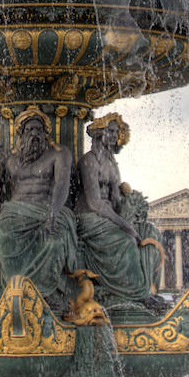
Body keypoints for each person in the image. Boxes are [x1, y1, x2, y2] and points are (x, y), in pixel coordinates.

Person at [0, 110, 79, 312]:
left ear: (46, 133)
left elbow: (61, 186)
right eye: (29, 129)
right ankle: (10, 290)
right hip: (15, 212)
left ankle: (48, 293)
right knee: (5, 236)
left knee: (54, 240)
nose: (34, 133)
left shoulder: (59, 154)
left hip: (48, 208)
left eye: (39, 129)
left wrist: (53, 212)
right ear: (21, 134)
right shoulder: (10, 160)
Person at [74, 114, 161, 310]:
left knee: (149, 231)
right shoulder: (89, 161)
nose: (115, 135)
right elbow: (95, 202)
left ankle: (148, 287)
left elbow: (115, 200)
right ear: (98, 133)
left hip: (107, 216)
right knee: (126, 240)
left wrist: (132, 210)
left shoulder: (112, 163)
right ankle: (137, 294)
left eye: (116, 131)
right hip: (88, 218)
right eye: (110, 131)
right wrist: (125, 225)